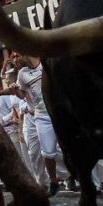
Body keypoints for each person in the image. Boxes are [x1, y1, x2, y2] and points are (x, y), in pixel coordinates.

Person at [15, 56, 62, 196]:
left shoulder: (47, 61)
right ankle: (53, 182)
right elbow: (21, 95)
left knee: (68, 149)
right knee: (47, 152)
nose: (16, 57)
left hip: (59, 112)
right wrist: (15, 90)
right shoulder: (22, 73)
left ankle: (77, 178)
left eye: (18, 53)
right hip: (41, 115)